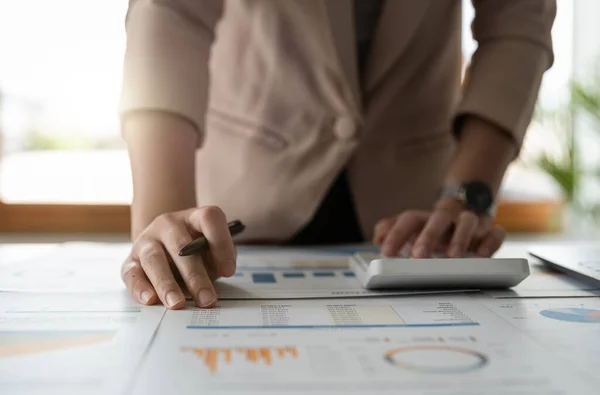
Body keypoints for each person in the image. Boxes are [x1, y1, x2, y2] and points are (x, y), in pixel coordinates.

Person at [118, 0, 556, 309]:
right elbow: (170, 14)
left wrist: (466, 194)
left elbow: (517, 22)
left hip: (418, 224)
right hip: (241, 210)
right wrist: (164, 213)